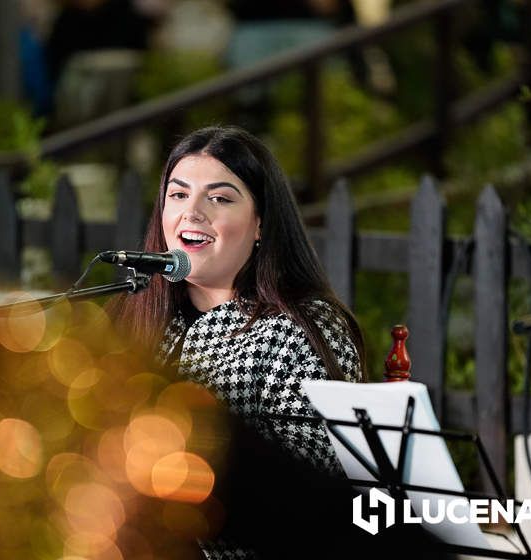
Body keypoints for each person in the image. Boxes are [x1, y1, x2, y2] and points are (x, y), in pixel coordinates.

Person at [108, 125, 368, 555]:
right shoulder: (133, 317)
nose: (192, 213)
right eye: (178, 195)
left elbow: (303, 510)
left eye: (219, 198)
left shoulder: (301, 330)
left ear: (260, 224)